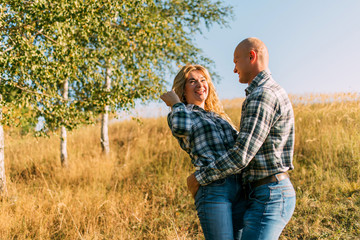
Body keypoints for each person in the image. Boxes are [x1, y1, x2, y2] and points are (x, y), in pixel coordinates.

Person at [187, 37, 296, 240]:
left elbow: (241, 155)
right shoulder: (266, 92)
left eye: (236, 61)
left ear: (251, 56)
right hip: (262, 193)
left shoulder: (262, 95)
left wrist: (198, 178)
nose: (235, 69)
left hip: (270, 193)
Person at [160, 64, 246, 240]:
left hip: (240, 187)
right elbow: (181, 129)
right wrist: (176, 103)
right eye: (192, 81)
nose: (200, 85)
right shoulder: (182, 113)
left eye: (203, 80)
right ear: (183, 89)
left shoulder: (218, 116)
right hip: (214, 188)